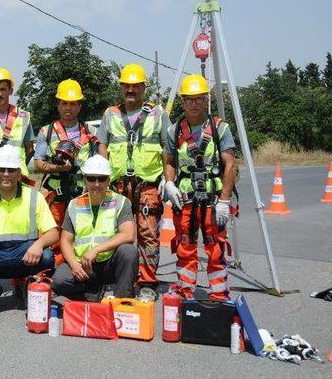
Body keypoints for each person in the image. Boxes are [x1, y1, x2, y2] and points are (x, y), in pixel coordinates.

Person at [96, 63, 170, 302]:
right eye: (126, 85)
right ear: (121, 88)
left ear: (143, 87)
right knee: (115, 234)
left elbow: (168, 150)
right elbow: (102, 145)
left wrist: (168, 181)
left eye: (135, 85)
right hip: (117, 187)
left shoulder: (158, 114)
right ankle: (117, 280)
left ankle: (148, 283)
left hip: (148, 185)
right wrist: (102, 177)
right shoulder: (111, 114)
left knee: (148, 234)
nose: (131, 90)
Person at [163, 74, 236, 301]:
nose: (193, 104)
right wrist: (170, 184)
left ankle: (219, 294)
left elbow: (230, 164)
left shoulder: (219, 129)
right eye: (188, 99)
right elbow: (169, 162)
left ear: (206, 100)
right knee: (185, 247)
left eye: (198, 99)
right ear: (182, 102)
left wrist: (224, 200)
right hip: (184, 200)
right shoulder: (174, 131)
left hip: (213, 203)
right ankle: (186, 292)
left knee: (215, 248)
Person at [0, 145, 58, 313]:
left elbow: (53, 233)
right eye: (1, 169)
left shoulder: (34, 196)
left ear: (19, 172)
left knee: (48, 257)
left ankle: (31, 287)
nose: (6, 174)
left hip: (25, 253)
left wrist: (38, 244)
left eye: (11, 170)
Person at [53, 155, 138, 300]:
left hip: (109, 264)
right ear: (85, 179)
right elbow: (65, 241)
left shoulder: (121, 202)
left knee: (128, 251)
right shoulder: (74, 204)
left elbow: (128, 235)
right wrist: (74, 265)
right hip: (83, 264)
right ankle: (90, 294)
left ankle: (121, 301)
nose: (97, 184)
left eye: (102, 179)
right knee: (59, 281)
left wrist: (96, 249)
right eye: (92, 179)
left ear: (109, 180)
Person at [34, 79, 99, 265]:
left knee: (81, 234)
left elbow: (97, 163)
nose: (68, 107)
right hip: (55, 193)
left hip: (81, 193)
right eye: (64, 103)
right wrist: (57, 168)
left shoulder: (90, 131)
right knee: (51, 233)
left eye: (73, 103)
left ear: (79, 106)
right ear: (58, 105)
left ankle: (78, 270)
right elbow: (38, 162)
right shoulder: (46, 132)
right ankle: (50, 272)